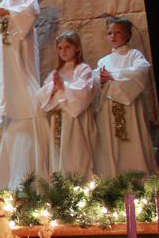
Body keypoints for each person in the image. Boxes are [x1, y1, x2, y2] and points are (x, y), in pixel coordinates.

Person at [0, 0, 49, 190]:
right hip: (5, 55)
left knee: (22, 78)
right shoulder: (2, 0)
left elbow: (31, 12)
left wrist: (8, 12)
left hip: (20, 50)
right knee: (6, 83)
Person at [93, 17, 157, 176]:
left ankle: (140, 180)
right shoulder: (103, 61)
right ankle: (114, 180)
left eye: (117, 32)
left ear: (128, 35)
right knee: (111, 145)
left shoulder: (134, 55)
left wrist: (112, 76)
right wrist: (100, 80)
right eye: (109, 33)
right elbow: (95, 81)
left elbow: (139, 72)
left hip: (131, 108)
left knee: (134, 143)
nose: (113, 36)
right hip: (108, 111)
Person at [36, 31, 96, 176]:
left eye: (67, 47)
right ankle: (62, 185)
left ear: (77, 48)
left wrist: (62, 87)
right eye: (60, 48)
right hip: (58, 119)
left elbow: (84, 92)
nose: (63, 51)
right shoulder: (56, 72)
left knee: (76, 153)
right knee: (59, 155)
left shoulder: (83, 69)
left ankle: (81, 184)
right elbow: (42, 96)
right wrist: (55, 88)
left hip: (76, 120)